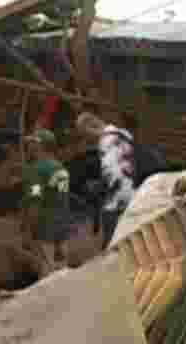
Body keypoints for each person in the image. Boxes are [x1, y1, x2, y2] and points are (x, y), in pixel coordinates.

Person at [75, 112, 135, 247]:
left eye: (85, 135)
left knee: (112, 231)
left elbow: (112, 173)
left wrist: (99, 188)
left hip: (121, 195)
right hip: (135, 187)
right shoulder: (123, 133)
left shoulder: (105, 142)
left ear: (91, 127)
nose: (87, 140)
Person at [21, 129, 73, 271]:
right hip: (62, 229)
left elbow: (35, 202)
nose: (28, 146)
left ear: (40, 145)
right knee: (62, 272)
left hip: (45, 232)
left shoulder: (37, 170)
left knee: (47, 276)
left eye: (32, 143)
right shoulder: (60, 167)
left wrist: (28, 232)